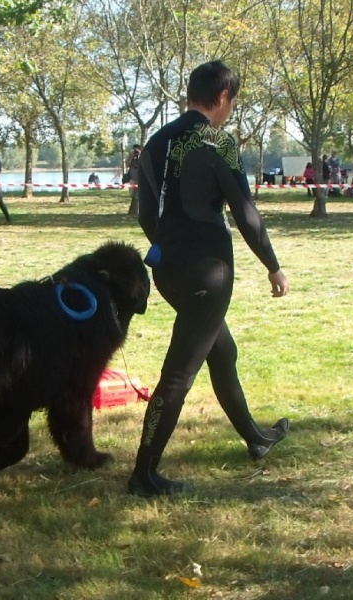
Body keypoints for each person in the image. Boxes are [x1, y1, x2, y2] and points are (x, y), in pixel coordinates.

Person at [129, 60, 291, 497]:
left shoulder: (155, 143)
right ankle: (144, 474)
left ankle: (256, 438)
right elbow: (246, 215)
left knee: (222, 351)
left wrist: (171, 246)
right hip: (209, 272)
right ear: (222, 97)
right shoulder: (218, 143)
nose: (231, 109)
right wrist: (272, 265)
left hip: (167, 267)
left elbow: (147, 213)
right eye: (231, 101)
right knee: (179, 374)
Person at [126, 144, 142, 216]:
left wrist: (140, 154)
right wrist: (132, 156)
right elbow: (127, 164)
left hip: (141, 179)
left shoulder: (142, 156)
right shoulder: (131, 156)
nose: (135, 151)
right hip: (132, 178)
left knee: (140, 195)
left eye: (137, 149)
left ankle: (139, 210)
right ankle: (134, 210)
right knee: (132, 194)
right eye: (134, 149)